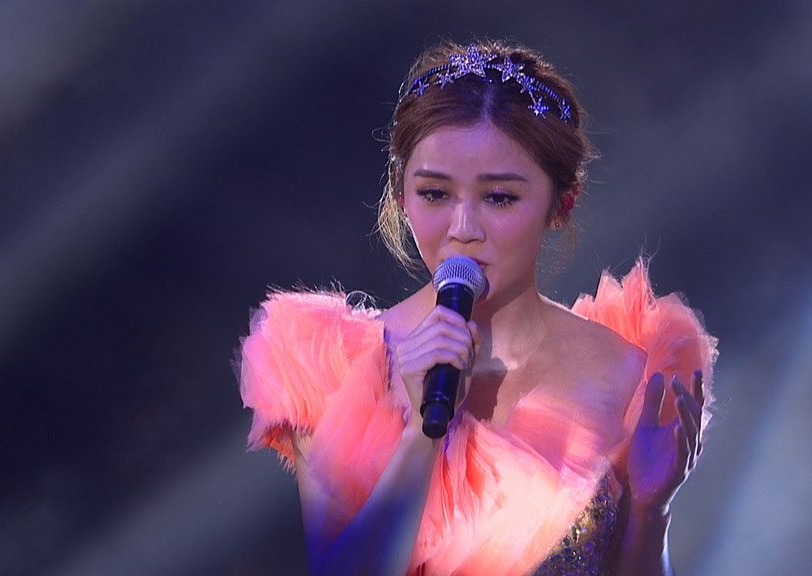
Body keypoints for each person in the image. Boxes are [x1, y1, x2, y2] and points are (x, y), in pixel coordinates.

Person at [237, 39, 717, 576]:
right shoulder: (330, 369)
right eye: (435, 194)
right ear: (401, 195)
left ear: (561, 204)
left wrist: (652, 511)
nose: (463, 229)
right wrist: (422, 434)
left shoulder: (626, 374)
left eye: (499, 198)